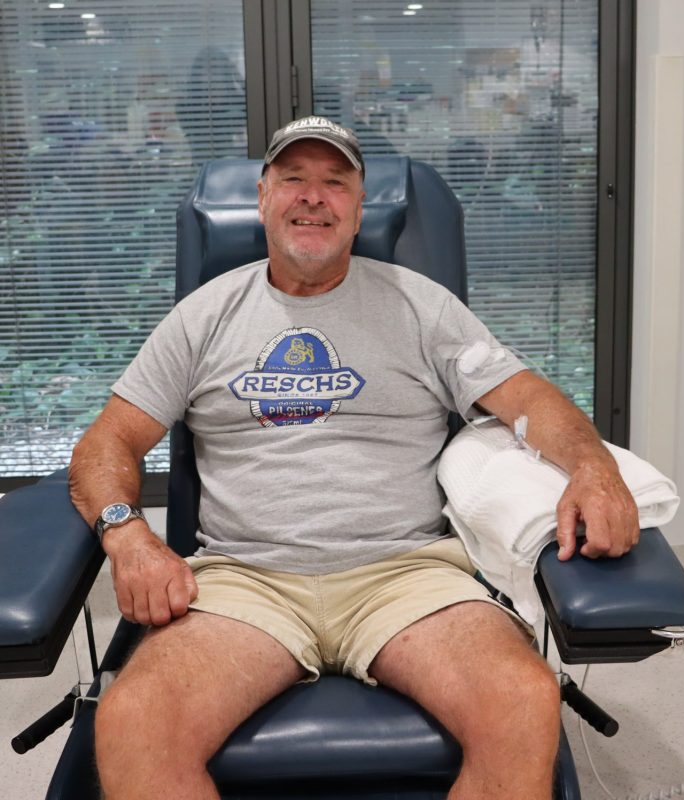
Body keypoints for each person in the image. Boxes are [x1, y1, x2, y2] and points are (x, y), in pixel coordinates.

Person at [69, 115, 640, 800]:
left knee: (522, 699)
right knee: (135, 722)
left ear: (360, 206)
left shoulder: (423, 308)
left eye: (334, 183)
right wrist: (127, 534)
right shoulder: (204, 316)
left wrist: (595, 469)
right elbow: (108, 440)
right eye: (294, 180)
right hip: (246, 580)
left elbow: (528, 399)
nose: (314, 197)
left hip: (405, 575)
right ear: (262, 198)